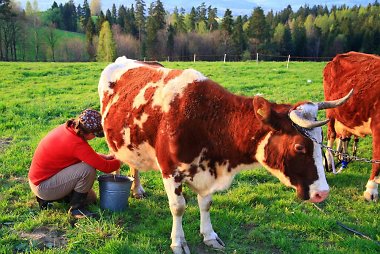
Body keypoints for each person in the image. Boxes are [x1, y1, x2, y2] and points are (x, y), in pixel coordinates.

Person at [28, 109, 121, 218]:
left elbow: (87, 156)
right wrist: (123, 158)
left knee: (91, 199)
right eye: (95, 135)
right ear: (90, 133)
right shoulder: (76, 143)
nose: (95, 137)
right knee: (87, 169)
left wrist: (107, 157)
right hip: (43, 187)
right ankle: (76, 210)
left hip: (41, 179)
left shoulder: (70, 128)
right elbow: (106, 167)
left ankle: (56, 198)